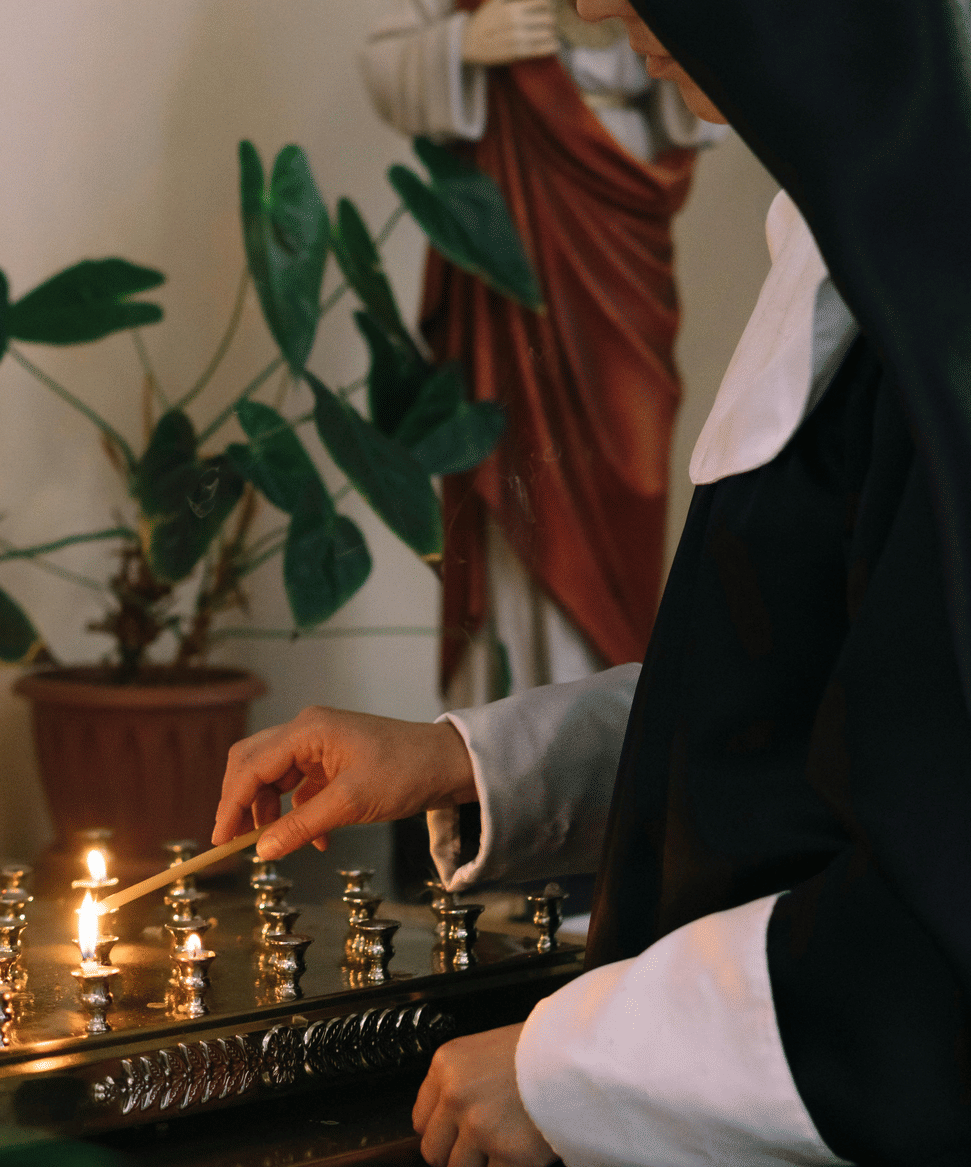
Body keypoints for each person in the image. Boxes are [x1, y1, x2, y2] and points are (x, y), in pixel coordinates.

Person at [215, 0, 971, 1163]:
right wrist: (463, 761)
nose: (593, 8)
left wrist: (572, 1069)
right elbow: (797, 706)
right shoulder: (844, 245)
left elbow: (926, 943)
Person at [360, 0, 726, 707]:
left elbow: (722, 69)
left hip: (618, 216)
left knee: (626, 459)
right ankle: (505, 732)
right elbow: (383, 60)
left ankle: (605, 723)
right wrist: (464, 42)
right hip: (510, 219)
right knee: (515, 463)